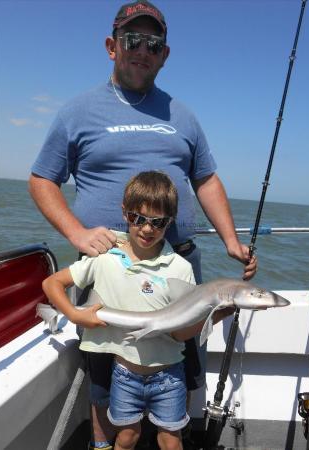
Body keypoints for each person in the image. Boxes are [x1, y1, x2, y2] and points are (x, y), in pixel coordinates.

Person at [29, 1, 257, 448]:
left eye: (153, 43)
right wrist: (76, 233)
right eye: (133, 40)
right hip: (108, 264)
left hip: (177, 267)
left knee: (177, 364)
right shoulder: (77, 112)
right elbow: (42, 179)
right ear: (112, 46)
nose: (142, 50)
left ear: (165, 54)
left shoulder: (183, 116)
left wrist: (231, 239)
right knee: (105, 374)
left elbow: (206, 178)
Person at [42, 171, 234, 450]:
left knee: (171, 439)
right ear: (125, 213)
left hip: (170, 375)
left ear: (170, 222)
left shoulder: (180, 268)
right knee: (126, 436)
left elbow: (181, 334)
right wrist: (73, 314)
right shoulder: (105, 258)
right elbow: (51, 283)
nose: (147, 229)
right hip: (123, 372)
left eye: (158, 222)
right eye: (138, 218)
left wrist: (217, 313)